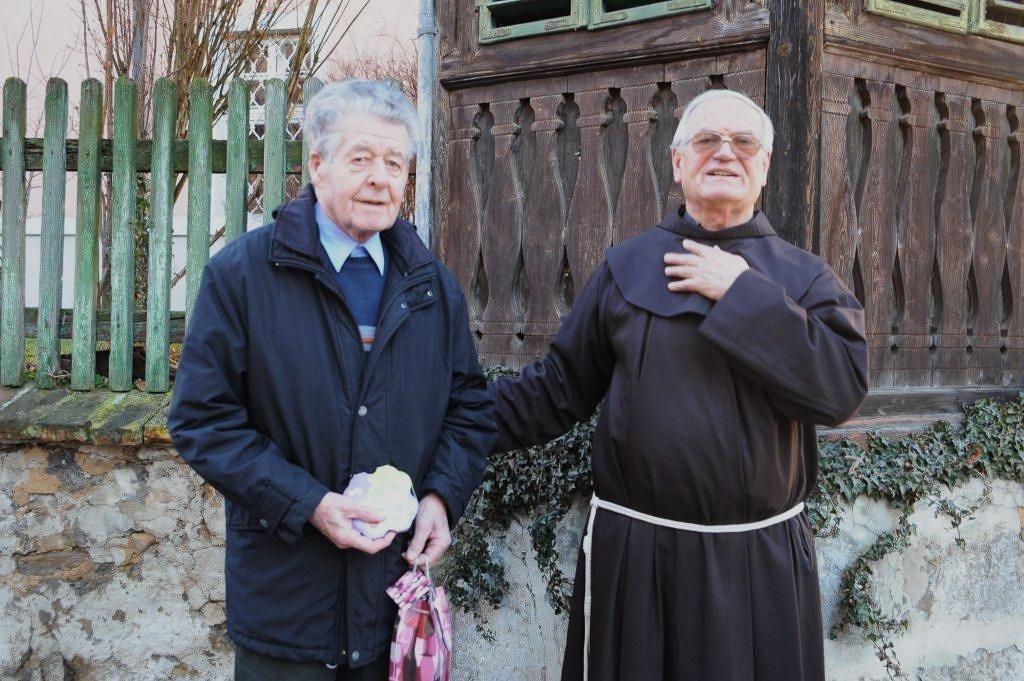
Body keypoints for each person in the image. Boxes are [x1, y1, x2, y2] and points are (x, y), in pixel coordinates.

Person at [490, 89, 868, 681]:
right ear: (677, 161)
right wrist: (442, 413)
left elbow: (839, 391)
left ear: (765, 165)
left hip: (756, 568)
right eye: (707, 140)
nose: (725, 153)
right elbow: (555, 391)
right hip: (637, 560)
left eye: (743, 143)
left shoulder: (807, 277)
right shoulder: (625, 268)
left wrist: (741, 292)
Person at [168, 79, 496, 681]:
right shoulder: (242, 276)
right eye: (361, 158)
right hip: (287, 607)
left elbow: (469, 407)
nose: (379, 179)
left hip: (391, 600)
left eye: (394, 163)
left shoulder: (431, 286)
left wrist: (440, 498)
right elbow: (202, 421)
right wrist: (310, 504)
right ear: (317, 165)